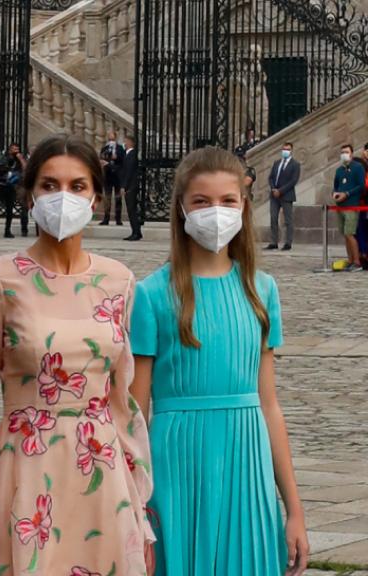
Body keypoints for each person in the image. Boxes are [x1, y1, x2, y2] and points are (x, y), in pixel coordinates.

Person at [0, 134, 154, 576]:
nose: (63, 197)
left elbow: (124, 402)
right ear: (30, 195)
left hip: (104, 477)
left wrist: (140, 503)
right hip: (26, 473)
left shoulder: (119, 281)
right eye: (49, 185)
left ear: (97, 199)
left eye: (77, 186)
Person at [131, 146, 309, 575]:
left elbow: (270, 405)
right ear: (182, 208)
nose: (216, 211)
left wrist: (295, 510)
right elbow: (133, 411)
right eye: (201, 201)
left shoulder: (261, 290)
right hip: (175, 462)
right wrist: (131, 503)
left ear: (244, 206)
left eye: (227, 201)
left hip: (247, 463)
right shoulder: (150, 294)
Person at [332, 144, 366, 272]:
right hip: (340, 206)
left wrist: (347, 194)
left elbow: (361, 186)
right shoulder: (339, 170)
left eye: (346, 152)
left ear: (351, 153)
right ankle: (350, 260)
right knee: (345, 234)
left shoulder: (358, 168)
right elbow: (336, 185)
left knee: (349, 233)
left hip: (352, 205)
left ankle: (357, 262)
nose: (344, 154)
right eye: (342, 152)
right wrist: (334, 193)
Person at [266, 142, 301, 251]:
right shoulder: (277, 163)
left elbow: (293, 180)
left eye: (288, 149)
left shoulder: (295, 164)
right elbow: (271, 177)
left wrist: (280, 191)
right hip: (274, 195)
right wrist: (273, 188)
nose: (285, 151)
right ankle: (273, 242)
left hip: (286, 195)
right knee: (273, 218)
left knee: (288, 220)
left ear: (291, 151)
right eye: (284, 149)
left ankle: (288, 242)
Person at [0, 143, 27, 239]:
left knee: (9, 209)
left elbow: (25, 168)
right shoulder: (2, 157)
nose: (15, 151)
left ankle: (7, 230)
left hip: (11, 185)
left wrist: (20, 158)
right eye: (13, 149)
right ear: (9, 149)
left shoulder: (18, 159)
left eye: (17, 149)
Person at [99, 130, 125, 226]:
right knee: (107, 198)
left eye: (112, 135)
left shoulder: (120, 148)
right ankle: (106, 218)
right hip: (108, 175)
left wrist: (115, 157)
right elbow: (101, 158)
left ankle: (118, 219)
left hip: (117, 176)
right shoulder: (104, 148)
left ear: (115, 137)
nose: (110, 137)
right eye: (109, 135)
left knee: (118, 198)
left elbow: (122, 161)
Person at [121, 135, 142, 241]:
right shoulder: (127, 154)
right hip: (130, 186)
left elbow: (128, 172)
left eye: (126, 141)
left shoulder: (132, 154)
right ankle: (136, 231)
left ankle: (136, 232)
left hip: (131, 186)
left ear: (131, 142)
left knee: (131, 210)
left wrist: (124, 186)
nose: (124, 142)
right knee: (131, 210)